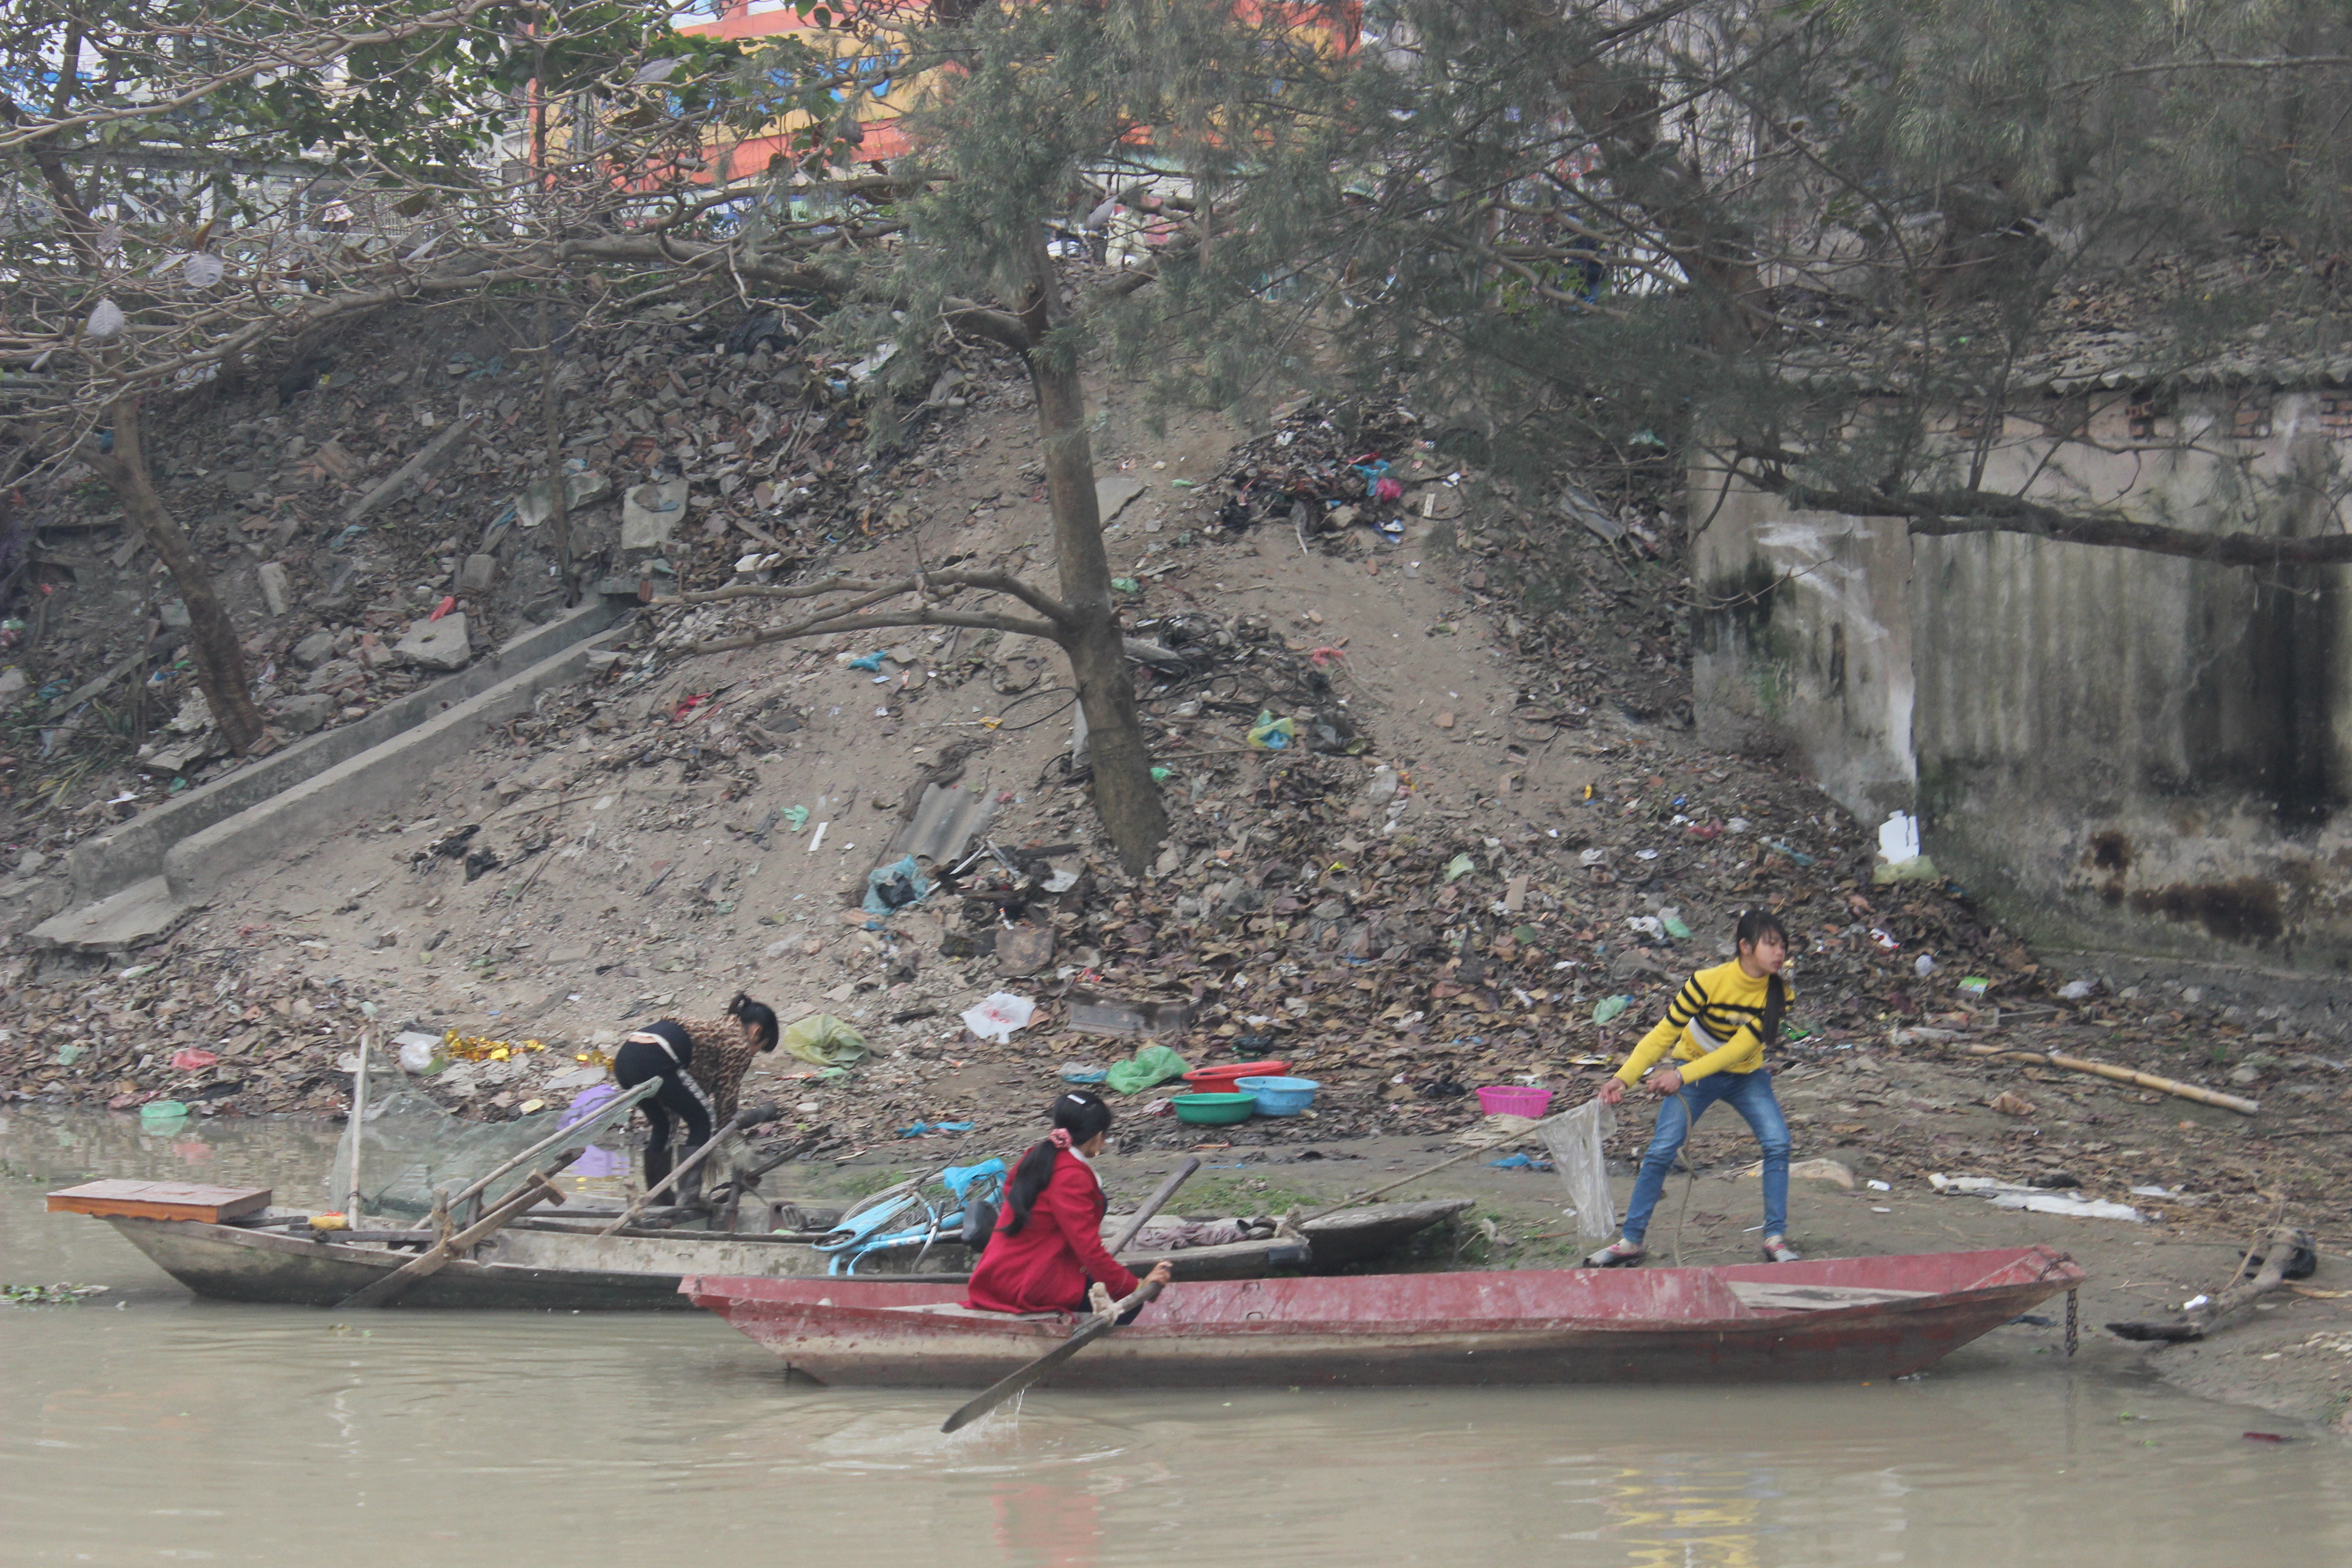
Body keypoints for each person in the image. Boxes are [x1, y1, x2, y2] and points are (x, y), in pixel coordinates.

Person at [1586, 909, 1799, 1267]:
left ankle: (1774, 1239)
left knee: (1778, 1143)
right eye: (1771, 944)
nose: (1780, 953)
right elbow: (1664, 1034)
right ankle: (1630, 1241)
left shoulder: (1781, 995)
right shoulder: (1706, 982)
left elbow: (1739, 1050)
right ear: (1745, 947)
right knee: (1660, 1152)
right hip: (1695, 1073)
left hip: (1746, 1077)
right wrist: (1624, 1077)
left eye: (1783, 946)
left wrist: (1680, 1077)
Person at [965, 1091, 1174, 1316]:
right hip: (1029, 1283)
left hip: (1001, 1275)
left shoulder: (1038, 1156)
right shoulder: (1071, 1176)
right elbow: (1088, 1249)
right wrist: (1135, 1287)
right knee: (1131, 1305)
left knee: (1110, 1284)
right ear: (1098, 1137)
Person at [611, 992, 779, 1199]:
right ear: (756, 1032)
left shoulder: (718, 1029)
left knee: (664, 1124)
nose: (752, 1054)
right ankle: (688, 1197)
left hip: (626, 1058)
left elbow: (694, 1086)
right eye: (758, 1048)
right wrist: (732, 1140)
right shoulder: (739, 1043)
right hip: (656, 1057)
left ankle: (660, 1199)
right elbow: (725, 1104)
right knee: (704, 1121)